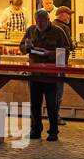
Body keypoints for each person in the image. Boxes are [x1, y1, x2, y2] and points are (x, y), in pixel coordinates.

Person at [19, 9, 70, 141]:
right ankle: (36, 129)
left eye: (42, 22)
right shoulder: (31, 30)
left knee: (51, 104)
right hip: (34, 72)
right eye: (38, 22)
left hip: (51, 75)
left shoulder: (58, 32)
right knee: (35, 103)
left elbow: (66, 50)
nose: (40, 24)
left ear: (48, 20)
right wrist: (27, 47)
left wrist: (49, 53)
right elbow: (22, 47)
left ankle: (53, 131)